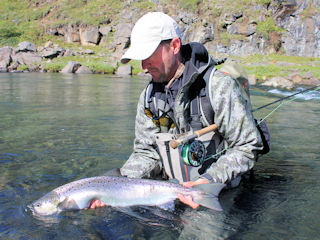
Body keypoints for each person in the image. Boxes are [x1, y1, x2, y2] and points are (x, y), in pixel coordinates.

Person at [89, 12, 263, 209]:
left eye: (147, 55)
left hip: (216, 192)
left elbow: (247, 145)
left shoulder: (219, 87)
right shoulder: (149, 98)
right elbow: (146, 152)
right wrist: (119, 185)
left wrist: (210, 179)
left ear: (174, 46)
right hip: (167, 193)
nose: (143, 66)